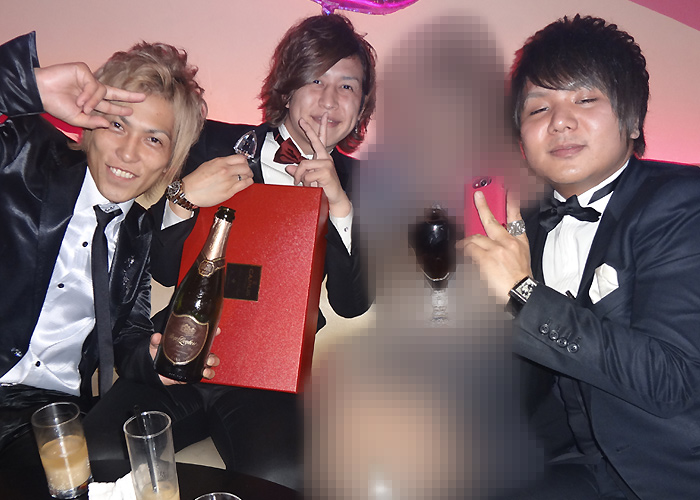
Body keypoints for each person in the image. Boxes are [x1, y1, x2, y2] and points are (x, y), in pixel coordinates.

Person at [86, 13, 376, 491]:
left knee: (283, 476)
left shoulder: (364, 183)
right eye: (316, 79)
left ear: (362, 104)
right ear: (287, 87)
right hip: (177, 357)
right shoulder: (208, 142)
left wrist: (340, 207)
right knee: (98, 449)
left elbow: (351, 303)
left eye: (347, 86)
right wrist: (182, 198)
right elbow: (161, 269)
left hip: (270, 374)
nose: (329, 100)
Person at [465, 14, 700, 499]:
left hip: (671, 472)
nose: (560, 121)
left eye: (585, 99)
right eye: (538, 108)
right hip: (576, 462)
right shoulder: (524, 226)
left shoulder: (681, 203)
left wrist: (522, 293)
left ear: (632, 120)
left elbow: (673, 381)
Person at [0, 31, 208, 466]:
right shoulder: (23, 156)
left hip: (48, 414)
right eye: (117, 125)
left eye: (154, 139)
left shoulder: (139, 234)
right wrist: (26, 85)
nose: (128, 153)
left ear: (169, 164)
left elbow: (127, 334)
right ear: (89, 125)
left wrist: (153, 359)